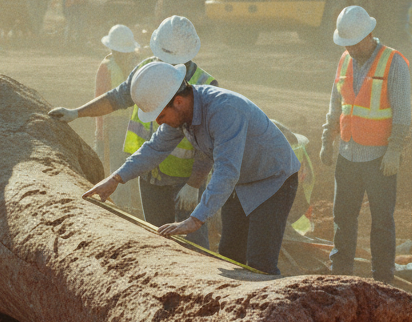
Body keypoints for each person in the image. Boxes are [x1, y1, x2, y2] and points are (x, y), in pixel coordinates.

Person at [82, 62, 301, 275]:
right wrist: (115, 179)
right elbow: (155, 149)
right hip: (241, 181)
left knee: (260, 263)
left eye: (161, 116)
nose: (160, 123)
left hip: (273, 179)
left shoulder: (224, 111)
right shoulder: (184, 113)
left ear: (178, 101)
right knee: (231, 254)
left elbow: (226, 171)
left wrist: (195, 219)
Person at [47, 16, 216, 249]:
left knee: (194, 244)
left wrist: (195, 184)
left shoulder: (204, 84)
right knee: (158, 239)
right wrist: (77, 113)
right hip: (149, 172)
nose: (163, 63)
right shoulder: (146, 68)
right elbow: (117, 97)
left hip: (184, 178)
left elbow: (209, 143)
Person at [319, 5, 410, 284]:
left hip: (380, 158)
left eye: (354, 43)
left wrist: (394, 149)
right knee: (343, 218)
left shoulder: (392, 61)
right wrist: (327, 138)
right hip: (348, 154)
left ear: (369, 34)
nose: (350, 49)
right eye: (345, 43)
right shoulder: (345, 59)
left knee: (382, 223)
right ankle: (341, 275)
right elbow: (337, 104)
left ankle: (383, 279)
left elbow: (402, 113)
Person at [93, 25, 142, 217]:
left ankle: (125, 207)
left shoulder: (132, 65)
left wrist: (99, 130)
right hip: (116, 126)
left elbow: (99, 99)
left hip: (130, 124)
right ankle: (121, 208)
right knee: (118, 166)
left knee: (126, 165)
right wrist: (100, 130)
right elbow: (100, 99)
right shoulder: (109, 67)